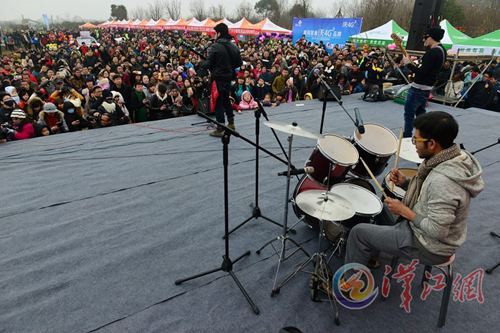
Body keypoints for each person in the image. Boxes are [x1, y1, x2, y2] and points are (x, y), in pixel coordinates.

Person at [345, 111, 484, 269]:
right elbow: (429, 191)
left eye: (416, 140)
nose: (414, 144)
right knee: (380, 208)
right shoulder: (450, 157)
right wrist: (405, 182)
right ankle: (371, 255)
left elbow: (437, 231)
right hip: (425, 228)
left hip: (430, 246)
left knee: (358, 233)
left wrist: (404, 211)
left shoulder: (444, 182)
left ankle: (350, 286)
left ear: (431, 144)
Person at [402, 27, 447, 137]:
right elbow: (428, 70)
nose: (424, 40)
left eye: (426, 37)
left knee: (409, 114)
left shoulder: (432, 53)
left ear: (431, 37)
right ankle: (424, 134)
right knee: (421, 114)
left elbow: (421, 72)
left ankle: (407, 136)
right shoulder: (442, 50)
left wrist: (408, 64)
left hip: (419, 88)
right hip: (426, 88)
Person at [203, 22, 242, 137]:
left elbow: (208, 64)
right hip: (228, 78)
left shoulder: (215, 47)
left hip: (218, 79)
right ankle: (231, 124)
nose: (214, 35)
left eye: (215, 33)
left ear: (219, 33)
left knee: (219, 102)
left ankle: (220, 128)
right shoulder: (234, 46)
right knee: (226, 100)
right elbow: (239, 63)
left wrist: (203, 63)